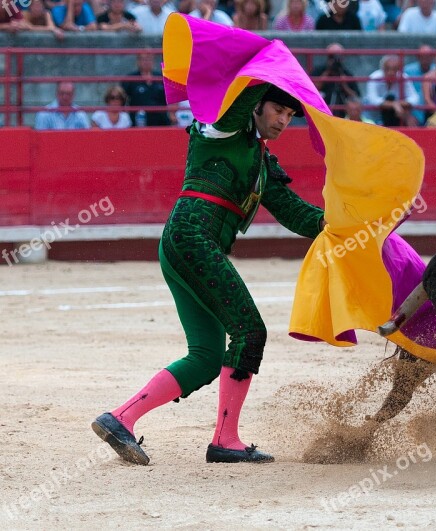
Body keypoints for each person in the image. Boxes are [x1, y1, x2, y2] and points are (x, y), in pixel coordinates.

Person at [91, 81, 328, 465]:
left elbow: (293, 212)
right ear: (257, 106)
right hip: (192, 238)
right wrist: (268, 73)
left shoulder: (261, 160)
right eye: (278, 110)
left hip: (188, 244)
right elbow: (243, 98)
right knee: (250, 330)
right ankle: (225, 440)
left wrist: (339, 223)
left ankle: (120, 419)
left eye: (289, 115)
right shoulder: (223, 124)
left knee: (205, 356)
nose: (284, 120)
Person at [364, 54, 420, 126]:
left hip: (397, 114)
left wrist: (399, 104)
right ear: (382, 69)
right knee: (390, 99)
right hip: (373, 115)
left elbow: (415, 98)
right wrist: (394, 104)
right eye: (387, 69)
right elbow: (373, 100)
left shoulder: (403, 77)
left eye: (394, 69)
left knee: (411, 118)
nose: (391, 72)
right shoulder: (374, 78)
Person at [122, 53, 175, 127]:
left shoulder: (161, 77)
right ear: (138, 61)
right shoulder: (130, 79)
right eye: (144, 59)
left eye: (149, 59)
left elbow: (172, 97)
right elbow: (121, 98)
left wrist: (172, 114)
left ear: (153, 61)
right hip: (139, 120)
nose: (146, 62)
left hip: (161, 120)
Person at [310, 43, 360, 117]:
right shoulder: (319, 71)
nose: (335, 60)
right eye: (332, 56)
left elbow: (356, 96)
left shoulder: (346, 73)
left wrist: (344, 84)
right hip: (321, 111)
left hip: (343, 113)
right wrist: (327, 73)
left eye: (338, 56)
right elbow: (310, 91)